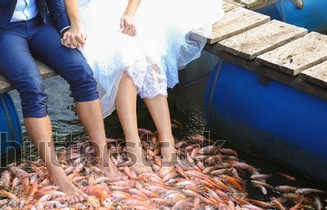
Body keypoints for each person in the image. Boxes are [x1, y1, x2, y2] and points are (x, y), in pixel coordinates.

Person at [0, 0, 120, 202]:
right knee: (32, 88)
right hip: (3, 31)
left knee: (82, 73)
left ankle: (103, 157)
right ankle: (56, 172)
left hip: (40, 25)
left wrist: (66, 28)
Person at [61, 0, 223, 173]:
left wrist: (130, 12)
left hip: (126, 6)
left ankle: (167, 140)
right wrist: (76, 24)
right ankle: (133, 144)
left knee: (147, 46)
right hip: (88, 13)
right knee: (125, 55)